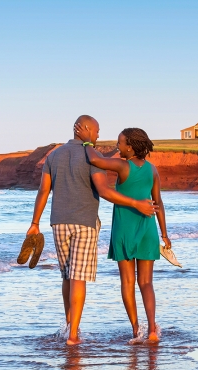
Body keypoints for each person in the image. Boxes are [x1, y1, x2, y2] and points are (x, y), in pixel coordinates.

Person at [27, 115, 158, 346]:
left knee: (67, 275)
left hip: (58, 221)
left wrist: (34, 223)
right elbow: (104, 191)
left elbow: (43, 191)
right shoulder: (91, 158)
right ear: (85, 129)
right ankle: (74, 335)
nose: (98, 136)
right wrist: (137, 203)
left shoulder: (54, 155)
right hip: (85, 222)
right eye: (96, 131)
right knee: (78, 277)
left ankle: (68, 327)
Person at [76, 125, 169, 344]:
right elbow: (159, 203)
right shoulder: (152, 169)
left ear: (130, 146)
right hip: (148, 229)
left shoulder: (122, 166)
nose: (118, 147)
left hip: (124, 230)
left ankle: (137, 330)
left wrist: (87, 141)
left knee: (128, 282)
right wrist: (164, 234)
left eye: (120, 143)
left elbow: (95, 160)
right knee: (146, 283)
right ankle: (153, 330)